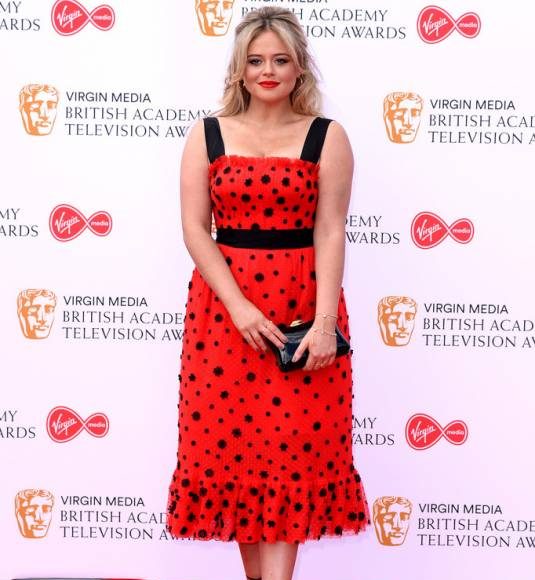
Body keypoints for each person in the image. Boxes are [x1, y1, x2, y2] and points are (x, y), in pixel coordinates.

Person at [167, 7, 369, 580]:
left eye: (281, 60)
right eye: (256, 61)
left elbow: (330, 230)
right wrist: (238, 307)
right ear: (240, 69)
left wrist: (325, 323)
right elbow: (194, 230)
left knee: (290, 458)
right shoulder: (207, 134)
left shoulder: (327, 136)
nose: (268, 71)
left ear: (300, 67)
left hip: (301, 309)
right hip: (223, 317)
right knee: (236, 459)